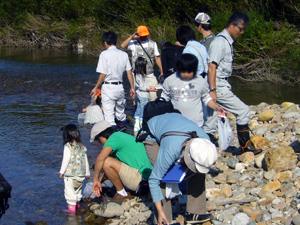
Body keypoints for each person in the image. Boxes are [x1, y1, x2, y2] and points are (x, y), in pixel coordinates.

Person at [203, 12, 261, 154]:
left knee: (211, 120)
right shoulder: (220, 42)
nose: (242, 32)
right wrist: (213, 90)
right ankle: (245, 146)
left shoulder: (226, 42)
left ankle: (204, 146)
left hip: (220, 83)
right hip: (218, 84)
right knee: (243, 111)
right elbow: (212, 67)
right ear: (231, 25)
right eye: (240, 28)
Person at [144, 113, 217, 224]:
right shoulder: (171, 149)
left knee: (198, 172)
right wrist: (159, 210)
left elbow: (202, 162)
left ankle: (195, 213)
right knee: (163, 178)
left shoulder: (205, 142)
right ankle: (163, 219)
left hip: (173, 128)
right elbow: (154, 180)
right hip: (152, 135)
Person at [90, 120, 152, 200]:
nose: (99, 143)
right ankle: (124, 191)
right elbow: (108, 172)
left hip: (140, 180)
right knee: (108, 162)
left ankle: (122, 193)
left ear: (102, 137)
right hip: (148, 180)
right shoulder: (121, 137)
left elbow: (100, 159)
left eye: (97, 140)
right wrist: (99, 182)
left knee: (106, 161)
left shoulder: (113, 138)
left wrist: (95, 180)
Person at [162, 53, 226, 127]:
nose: (186, 74)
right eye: (183, 71)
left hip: (196, 123)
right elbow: (164, 99)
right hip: (176, 122)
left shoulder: (201, 81)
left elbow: (206, 98)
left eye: (189, 72)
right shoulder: (170, 80)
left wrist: (217, 107)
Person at [90, 31, 136, 130]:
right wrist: (132, 88)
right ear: (115, 41)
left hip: (108, 87)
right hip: (120, 87)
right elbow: (129, 73)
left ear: (105, 42)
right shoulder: (124, 54)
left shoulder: (104, 54)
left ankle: (112, 141)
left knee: (109, 117)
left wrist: (96, 87)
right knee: (121, 114)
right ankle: (122, 135)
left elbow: (103, 74)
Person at [121, 25, 163, 101]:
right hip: (137, 76)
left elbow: (157, 58)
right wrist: (132, 36)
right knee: (137, 99)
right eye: (142, 35)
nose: (143, 37)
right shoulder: (133, 43)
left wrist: (162, 70)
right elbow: (122, 46)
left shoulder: (153, 44)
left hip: (150, 74)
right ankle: (138, 111)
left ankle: (152, 111)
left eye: (145, 35)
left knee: (153, 97)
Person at [59, 124, 90, 213]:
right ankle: (78, 207)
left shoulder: (68, 147)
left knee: (70, 194)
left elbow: (66, 160)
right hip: (81, 176)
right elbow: (85, 161)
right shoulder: (82, 147)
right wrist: (87, 173)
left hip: (71, 176)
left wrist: (61, 172)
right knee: (78, 192)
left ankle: (72, 213)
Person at [134, 57, 158, 132]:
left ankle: (136, 125)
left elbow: (144, 85)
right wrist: (151, 89)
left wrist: (151, 87)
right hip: (143, 95)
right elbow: (142, 87)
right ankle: (141, 125)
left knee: (138, 109)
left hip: (140, 94)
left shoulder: (137, 74)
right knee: (143, 110)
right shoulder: (139, 75)